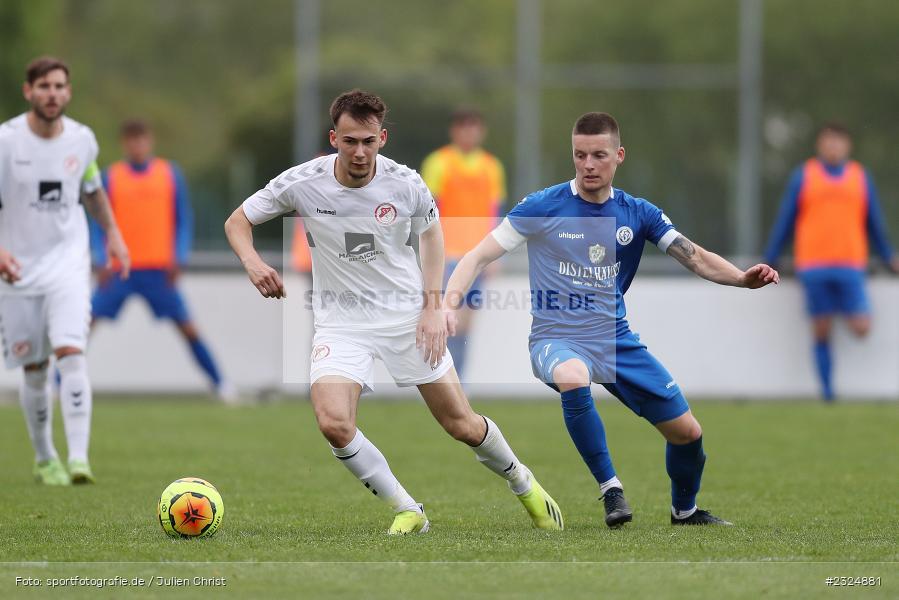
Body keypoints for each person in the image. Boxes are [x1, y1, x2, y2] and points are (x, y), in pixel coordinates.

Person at [224, 90, 563, 534]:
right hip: (341, 322)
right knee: (333, 422)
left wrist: (432, 306)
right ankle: (409, 510)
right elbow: (238, 222)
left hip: (406, 317)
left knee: (460, 423)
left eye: (368, 141)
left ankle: (523, 482)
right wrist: (253, 263)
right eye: (349, 142)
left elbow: (433, 238)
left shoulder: (406, 183)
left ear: (382, 138)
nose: (359, 151)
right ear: (334, 139)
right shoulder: (302, 182)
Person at [445, 112, 779, 528]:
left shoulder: (637, 213)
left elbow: (694, 257)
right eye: (580, 155)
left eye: (598, 155)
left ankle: (685, 511)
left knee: (688, 434)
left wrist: (742, 279)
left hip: (616, 340)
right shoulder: (543, 205)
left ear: (618, 156)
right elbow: (476, 255)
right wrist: (447, 303)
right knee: (572, 374)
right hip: (556, 337)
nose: (588, 164)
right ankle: (611, 490)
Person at [0, 57, 130, 485]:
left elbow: (92, 191)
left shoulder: (82, 140)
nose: (52, 94)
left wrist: (113, 235)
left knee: (71, 353)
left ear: (68, 92)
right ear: (28, 92)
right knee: (34, 369)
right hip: (16, 272)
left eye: (59, 86)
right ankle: (44, 458)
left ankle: (78, 459)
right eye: (44, 86)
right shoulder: (7, 142)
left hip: (68, 266)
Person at [89, 119, 234, 401]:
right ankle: (54, 385)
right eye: (131, 140)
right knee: (83, 328)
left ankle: (222, 386)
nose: (137, 145)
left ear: (150, 141)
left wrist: (178, 257)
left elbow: (183, 219)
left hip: (158, 270)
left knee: (188, 329)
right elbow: (97, 222)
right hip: (120, 269)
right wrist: (100, 258)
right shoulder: (111, 176)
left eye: (141, 139)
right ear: (124, 143)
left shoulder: (169, 174)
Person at [763, 123, 898, 401]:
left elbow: (874, 221)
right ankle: (827, 394)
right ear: (820, 145)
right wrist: (771, 257)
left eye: (839, 142)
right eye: (829, 141)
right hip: (813, 265)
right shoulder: (804, 176)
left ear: (847, 146)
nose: (833, 147)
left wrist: (888, 255)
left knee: (861, 327)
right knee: (822, 328)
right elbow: (786, 219)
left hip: (851, 264)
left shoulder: (859, 176)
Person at [421, 109, 505, 379]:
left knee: (465, 326)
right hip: (447, 256)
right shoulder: (438, 162)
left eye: (474, 127)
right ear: (454, 131)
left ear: (481, 131)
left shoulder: (492, 166)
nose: (469, 133)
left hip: (477, 257)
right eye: (464, 127)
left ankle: (459, 383)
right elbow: (428, 211)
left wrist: (494, 256)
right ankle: (439, 380)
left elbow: (494, 213)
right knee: (444, 321)